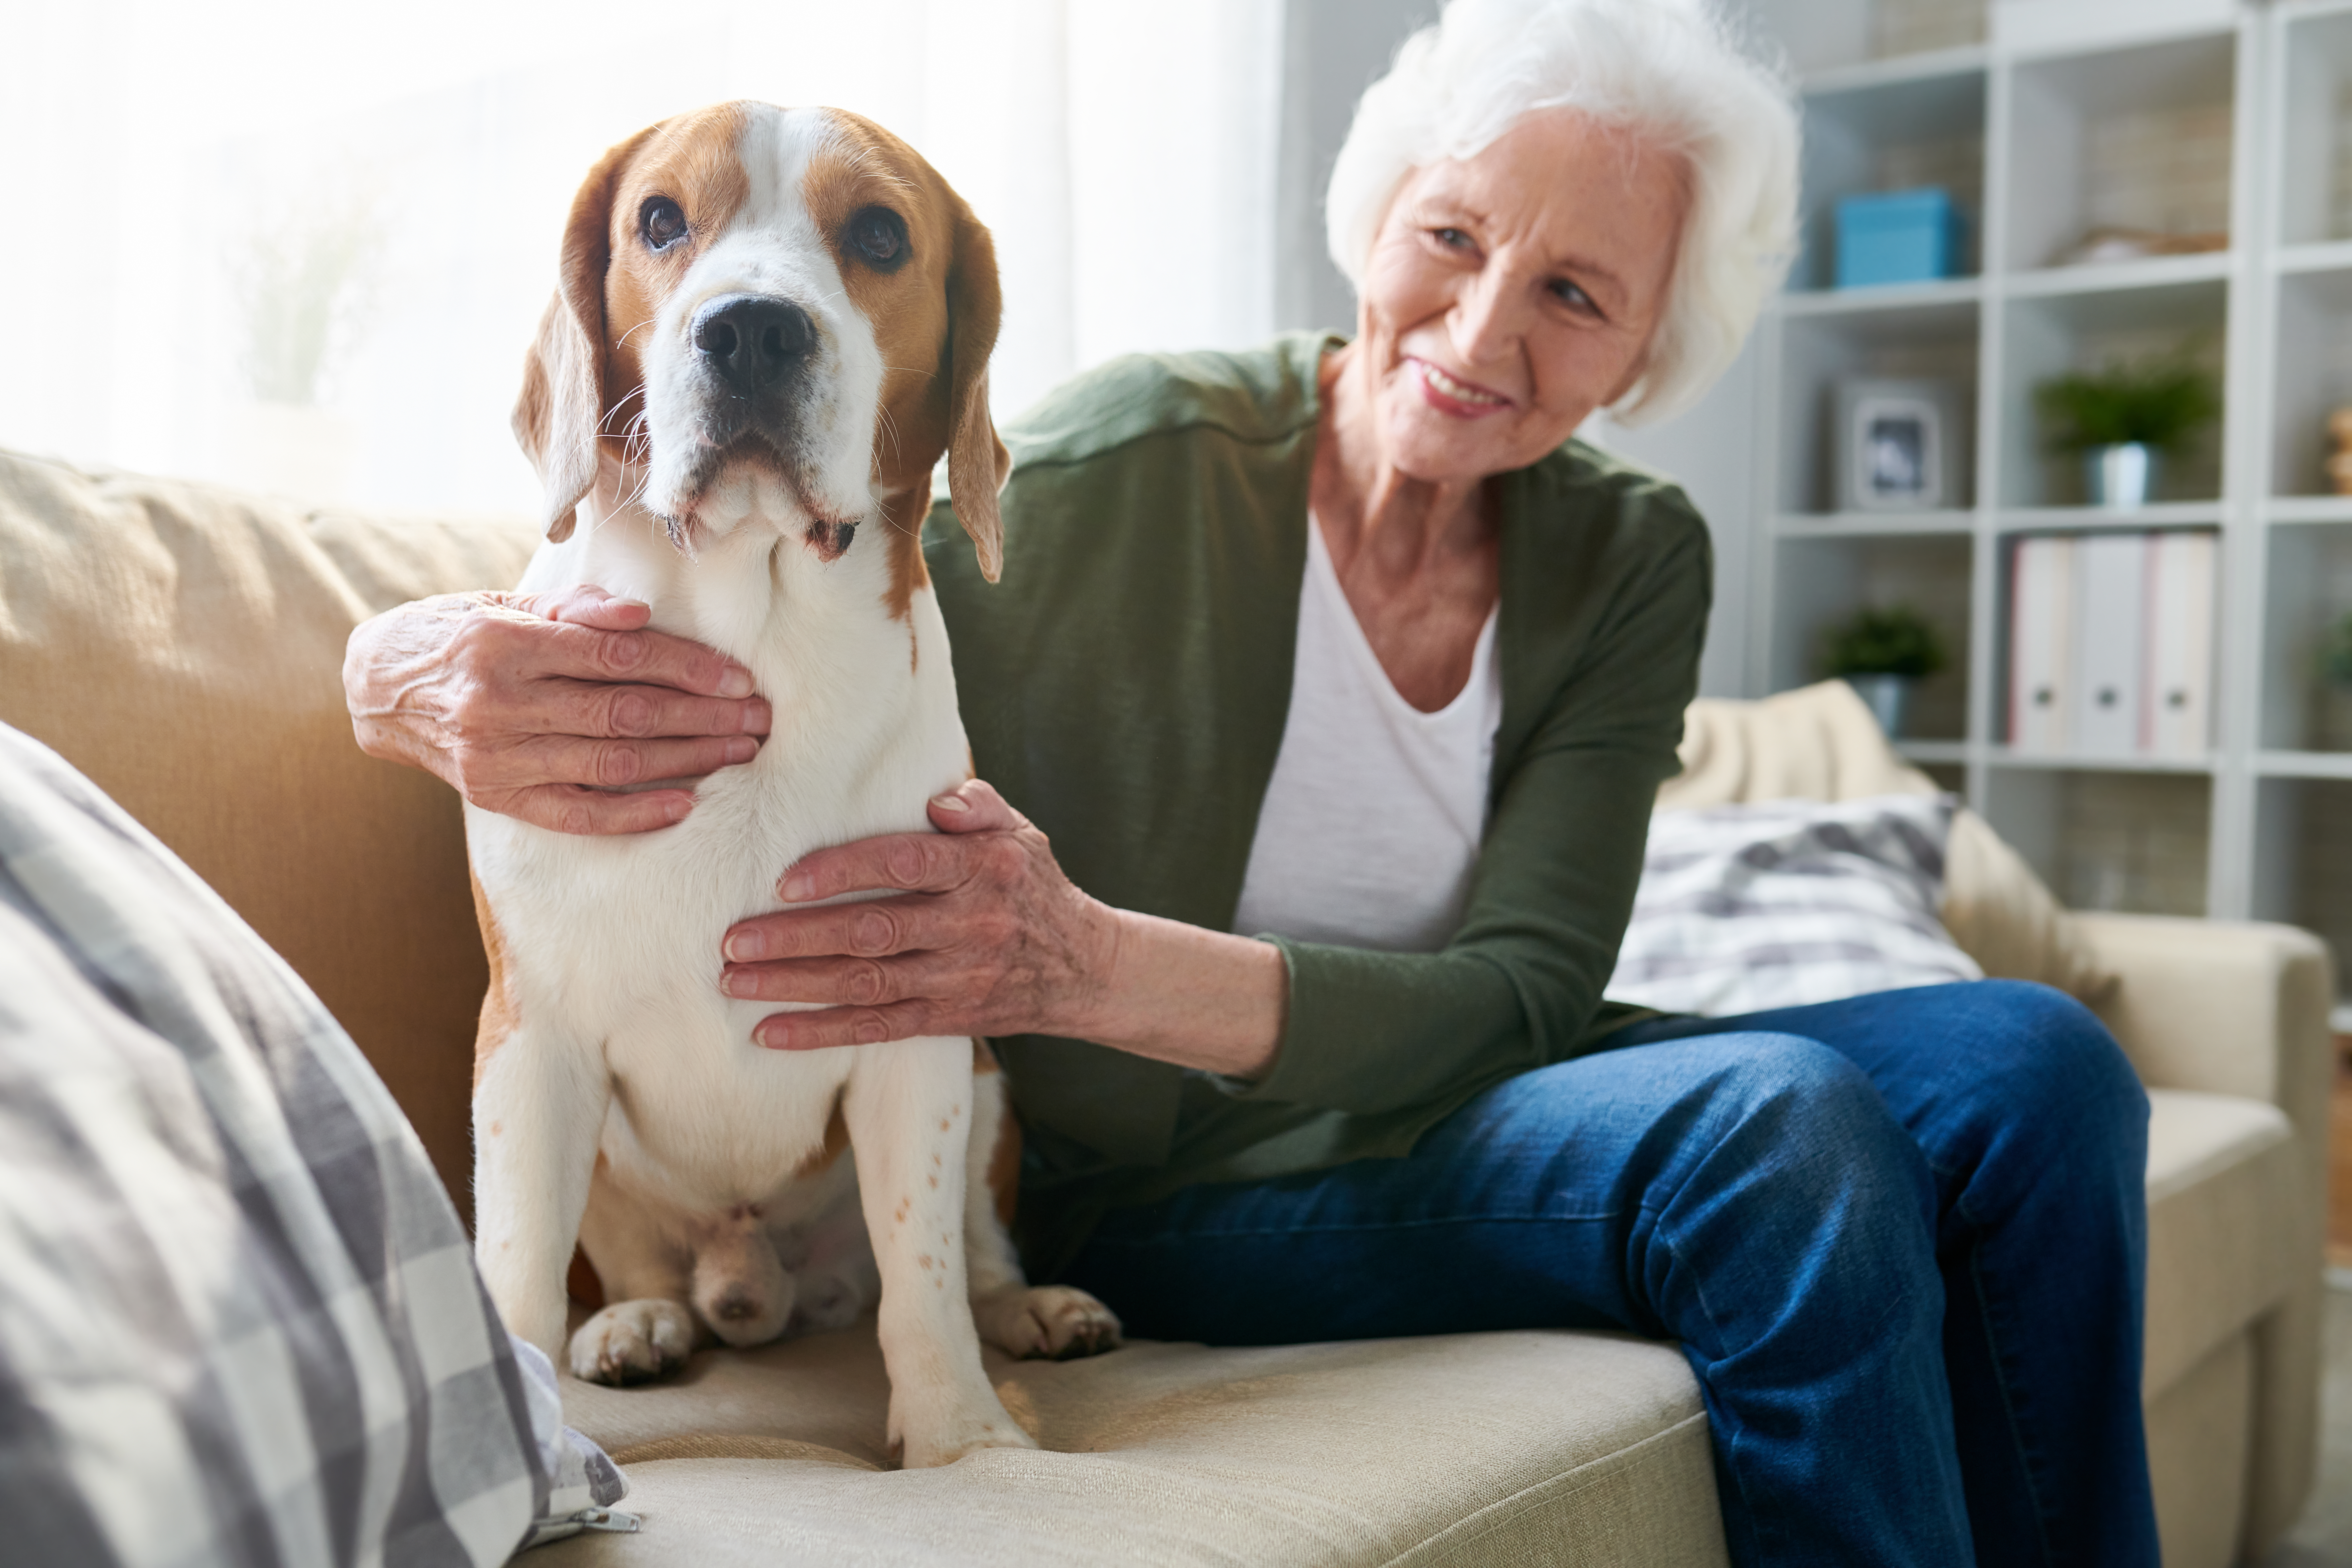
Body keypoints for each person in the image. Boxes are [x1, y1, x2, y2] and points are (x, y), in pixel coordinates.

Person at [342, 1, 2157, 1560]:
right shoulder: (1129, 463)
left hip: (1474, 1091)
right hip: (1177, 1171)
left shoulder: (1631, 557)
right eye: (1454, 236)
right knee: (1782, 1131)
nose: (1484, 326)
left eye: (1579, 291)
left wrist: (1088, 963)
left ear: (1652, 348)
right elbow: (806, 534)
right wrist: (388, 666)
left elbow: (1529, 993)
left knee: (2041, 1066)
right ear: (1380, 219)